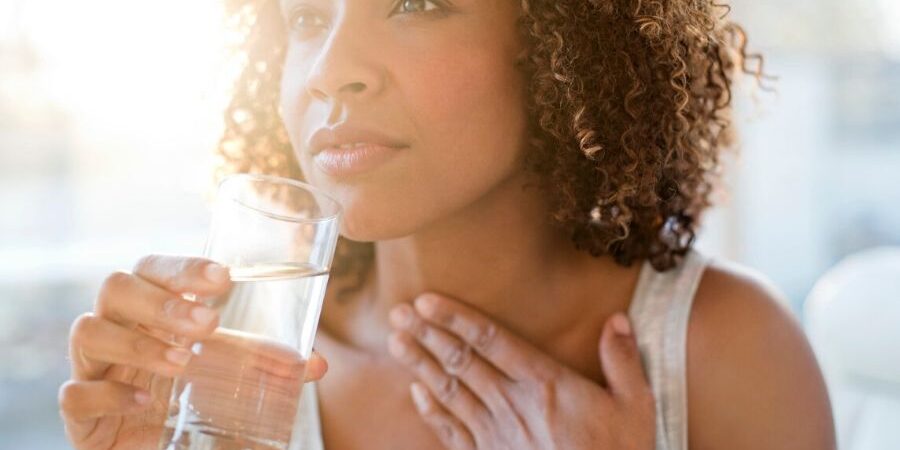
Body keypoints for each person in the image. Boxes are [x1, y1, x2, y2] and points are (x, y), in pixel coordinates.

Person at [58, 0, 837, 449]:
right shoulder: (219, 376)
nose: (331, 68)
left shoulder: (723, 353)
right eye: (304, 15)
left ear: (558, 38)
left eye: (417, 1)